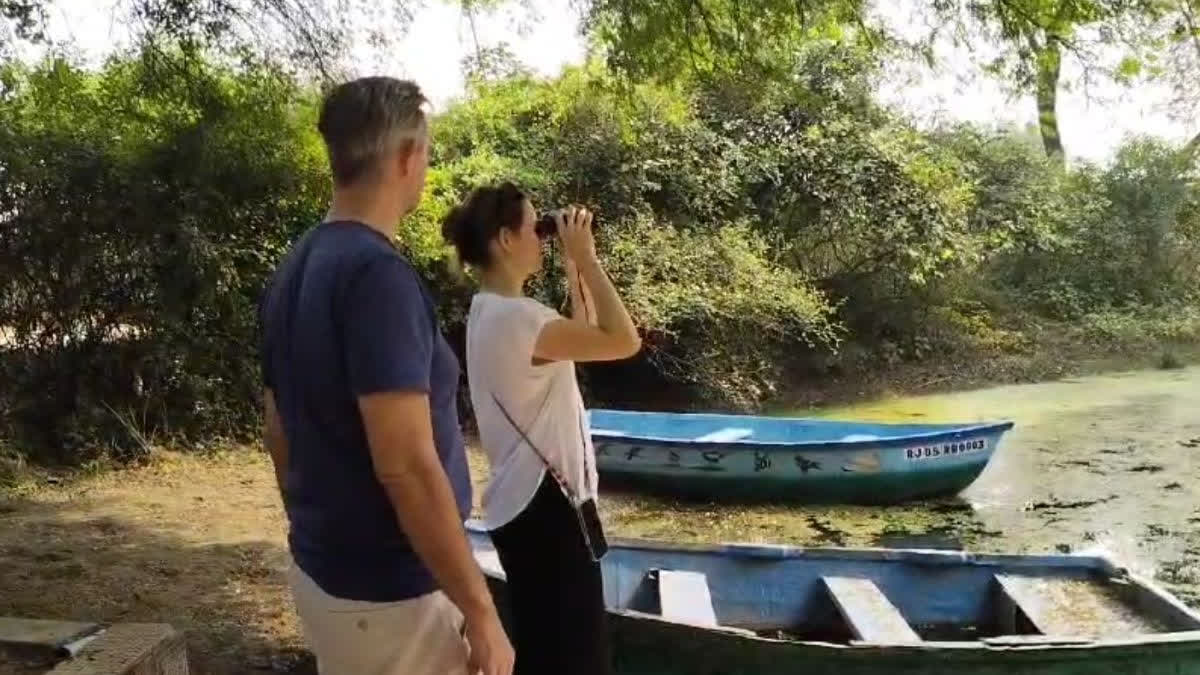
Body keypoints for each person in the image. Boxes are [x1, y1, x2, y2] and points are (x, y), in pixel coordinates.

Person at [258, 77, 514, 675]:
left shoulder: (293, 267)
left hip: (327, 576)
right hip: (394, 597)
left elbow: (277, 430)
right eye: (425, 152)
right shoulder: (377, 275)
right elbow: (406, 464)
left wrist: (322, 532)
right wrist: (480, 610)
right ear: (405, 156)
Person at [441, 183, 641, 675]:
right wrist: (589, 260)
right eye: (536, 228)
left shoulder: (490, 311)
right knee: (576, 659)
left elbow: (585, 335)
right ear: (506, 240)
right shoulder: (519, 319)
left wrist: (573, 269)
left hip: (526, 507)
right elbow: (622, 341)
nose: (543, 238)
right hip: (547, 507)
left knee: (547, 650)